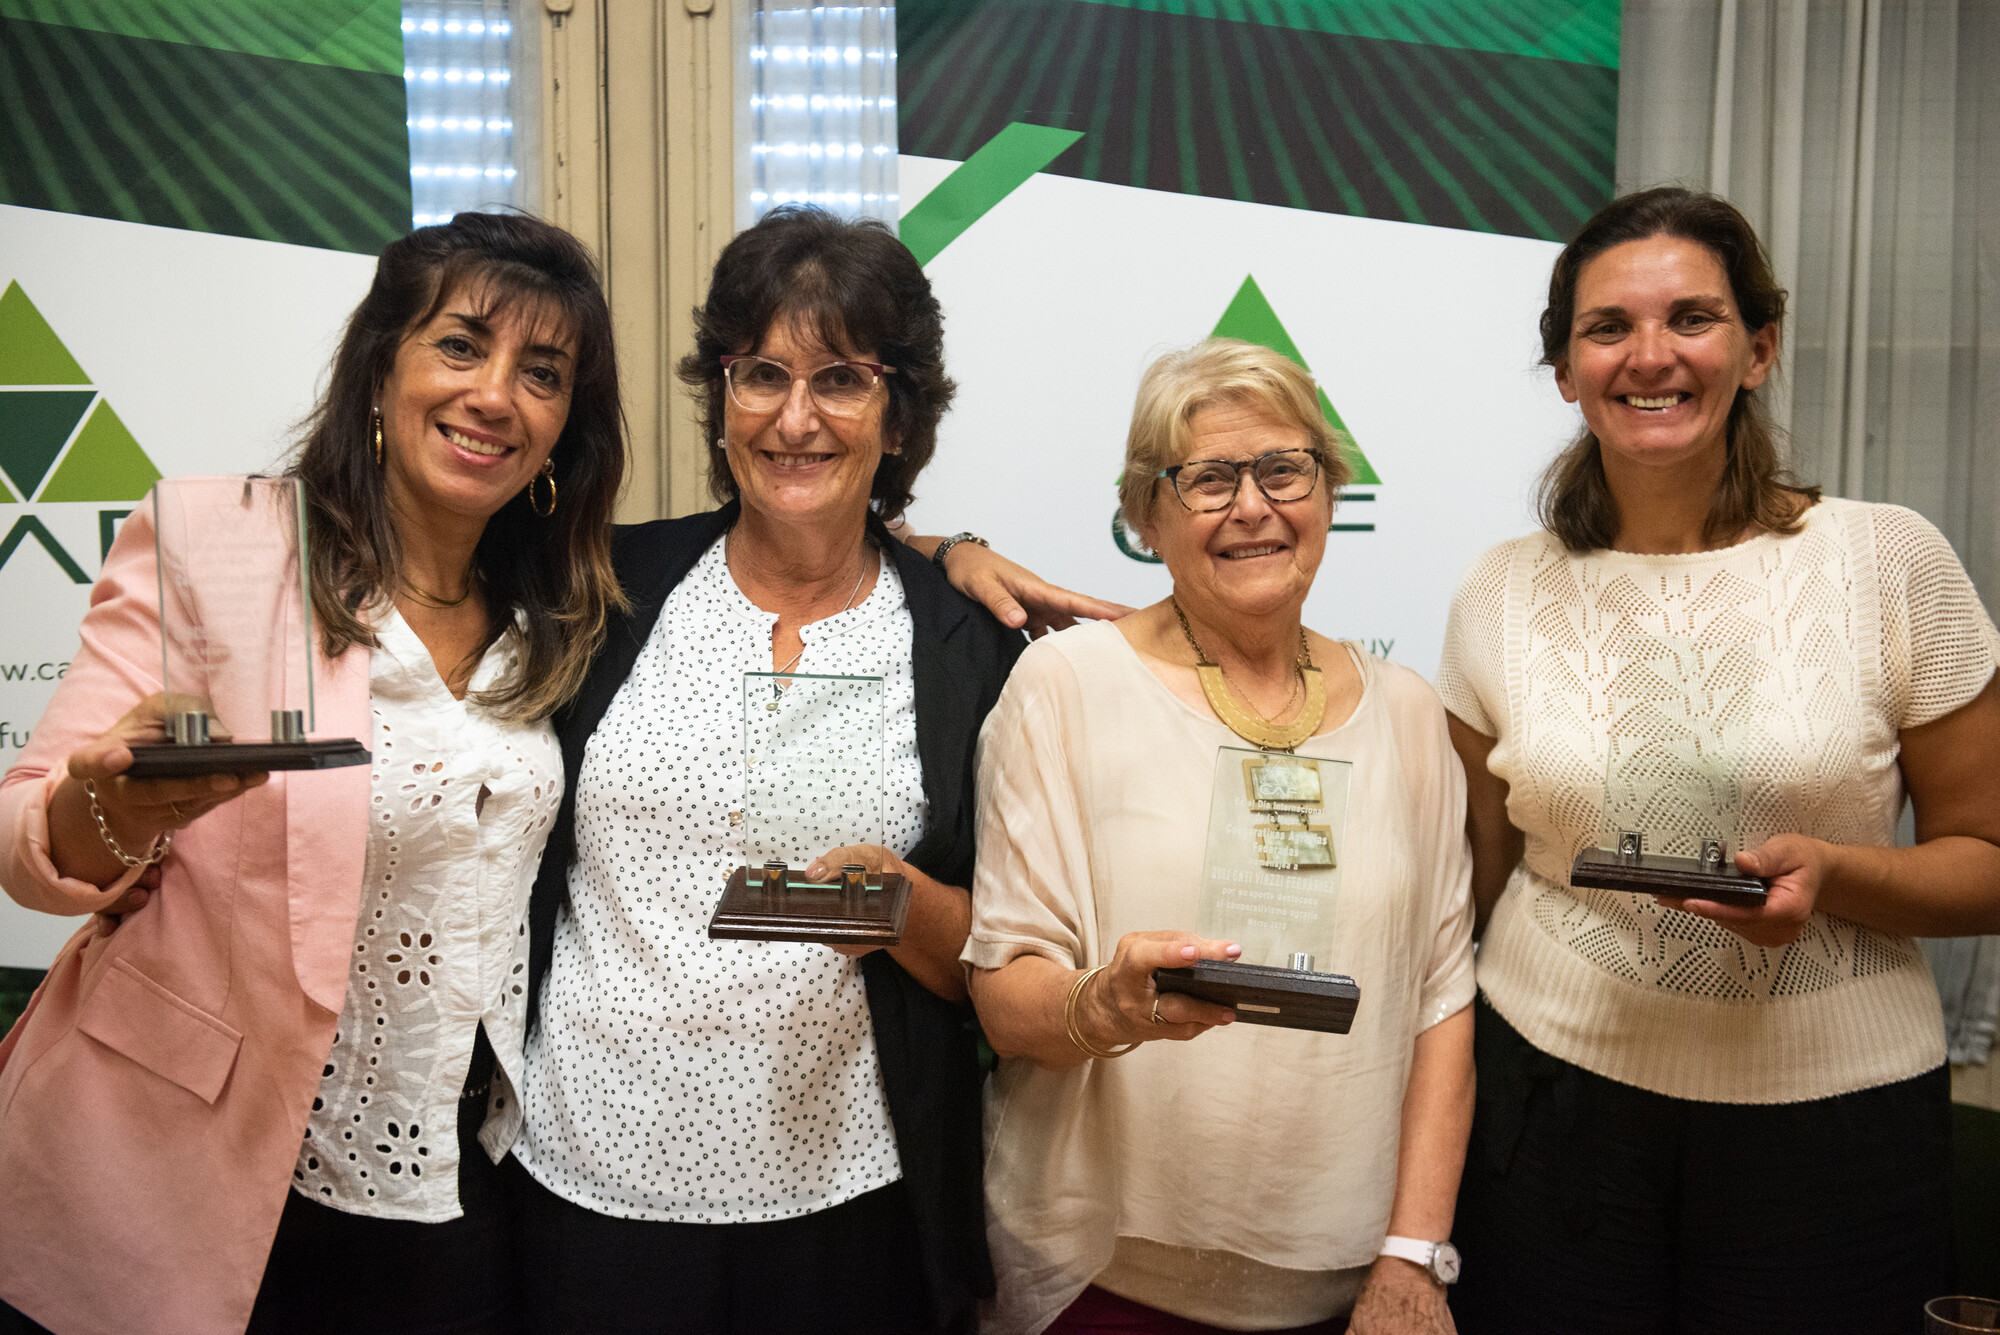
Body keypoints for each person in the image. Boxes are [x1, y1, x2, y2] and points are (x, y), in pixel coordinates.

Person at [0, 212, 630, 1334]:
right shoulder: (222, 545)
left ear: (562, 428)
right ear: (380, 366)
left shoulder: (559, 613)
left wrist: (937, 550)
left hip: (462, 1169)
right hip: (203, 1161)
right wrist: (115, 804)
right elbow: (28, 841)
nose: (495, 395)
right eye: (460, 345)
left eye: (542, 373)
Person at [1439, 187, 2000, 1334]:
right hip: (1548, 1109)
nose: (1649, 356)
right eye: (1607, 328)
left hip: (1833, 1133)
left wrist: (1834, 876)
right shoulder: (1497, 589)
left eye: (1690, 318)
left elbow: (1985, 862)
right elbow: (1470, 890)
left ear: (1758, 349)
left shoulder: (1888, 560)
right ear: (1564, 371)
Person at [508, 205, 1028, 1335]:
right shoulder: (602, 587)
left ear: (899, 415)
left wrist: (897, 905)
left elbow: (1007, 958)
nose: (795, 418)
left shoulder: (965, 647)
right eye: (761, 375)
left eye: (840, 380)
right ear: (722, 396)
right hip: (586, 1183)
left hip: (848, 1203)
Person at [966, 337, 1476, 1335]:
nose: (1253, 506)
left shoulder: (1410, 712)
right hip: (1108, 1278)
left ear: (1327, 492)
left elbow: (1441, 998)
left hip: (1349, 1286)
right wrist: (1103, 1002)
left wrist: (1413, 1255)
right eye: (1207, 479)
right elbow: (1003, 992)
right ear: (1145, 516)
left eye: (1284, 469)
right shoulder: (1067, 686)